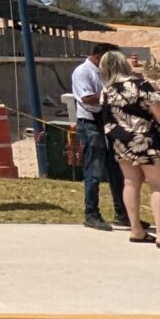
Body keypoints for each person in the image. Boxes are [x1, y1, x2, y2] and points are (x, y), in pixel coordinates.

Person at [97, 48, 160, 248]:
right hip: (147, 140)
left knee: (131, 183)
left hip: (121, 142)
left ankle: (136, 229)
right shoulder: (140, 85)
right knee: (158, 185)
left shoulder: (107, 91)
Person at [68, 41, 129, 230]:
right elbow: (87, 99)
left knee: (117, 169)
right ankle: (91, 213)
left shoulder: (106, 73)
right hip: (90, 124)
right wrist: (113, 94)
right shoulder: (83, 73)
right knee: (94, 170)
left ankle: (122, 213)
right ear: (98, 57)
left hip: (109, 123)